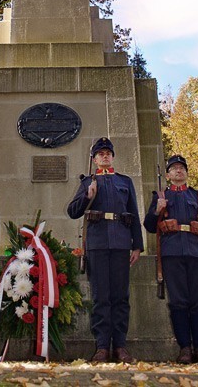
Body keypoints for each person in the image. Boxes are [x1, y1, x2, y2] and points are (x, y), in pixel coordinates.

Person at [67, 137, 143, 363]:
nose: (105, 156)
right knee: (101, 297)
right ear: (94, 159)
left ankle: (120, 346)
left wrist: (137, 245)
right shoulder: (87, 182)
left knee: (120, 297)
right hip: (97, 244)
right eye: (100, 153)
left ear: (113, 156)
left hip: (121, 243)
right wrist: (87, 196)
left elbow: (134, 214)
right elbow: (73, 211)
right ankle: (102, 346)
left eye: (108, 152)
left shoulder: (125, 181)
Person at [143, 154, 198, 365]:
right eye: (174, 168)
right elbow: (149, 226)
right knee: (177, 302)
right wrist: (157, 209)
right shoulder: (160, 196)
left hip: (196, 253)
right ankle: (185, 348)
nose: (178, 171)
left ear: (185, 173)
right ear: (167, 175)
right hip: (171, 253)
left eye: (182, 168)